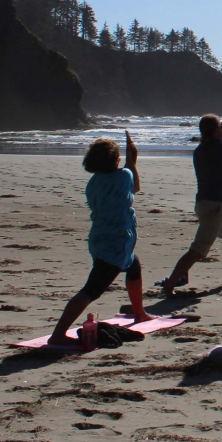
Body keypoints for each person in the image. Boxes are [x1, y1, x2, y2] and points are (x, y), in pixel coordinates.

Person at [47, 132, 154, 345]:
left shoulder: (94, 182)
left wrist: (128, 160)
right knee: (91, 290)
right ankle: (57, 334)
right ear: (115, 160)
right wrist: (132, 159)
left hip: (100, 239)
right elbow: (136, 185)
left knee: (134, 266)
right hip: (115, 243)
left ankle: (139, 312)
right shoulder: (123, 176)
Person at [159, 113, 222, 296]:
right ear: (215, 130)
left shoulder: (199, 150)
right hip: (214, 207)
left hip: (206, 204)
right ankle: (170, 285)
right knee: (198, 250)